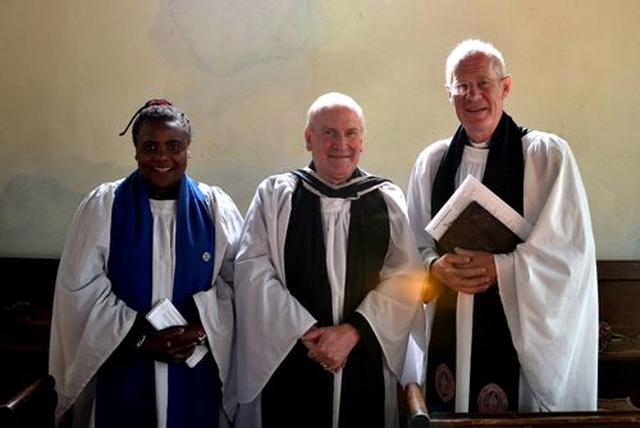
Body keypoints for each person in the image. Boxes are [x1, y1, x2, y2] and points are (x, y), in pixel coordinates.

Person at [406, 39, 599, 413]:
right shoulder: (432, 163)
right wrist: (434, 267)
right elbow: (411, 246)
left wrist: (502, 267)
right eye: (462, 86)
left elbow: (569, 258)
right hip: (450, 331)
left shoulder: (546, 157)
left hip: (515, 339)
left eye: (483, 83)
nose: (473, 95)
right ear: (449, 93)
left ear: (505, 87)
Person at [234, 92, 425, 428]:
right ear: (309, 139)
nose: (341, 143)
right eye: (329, 133)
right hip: (293, 354)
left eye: (351, 133)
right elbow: (253, 268)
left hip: (364, 354)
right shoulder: (276, 195)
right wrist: (306, 331)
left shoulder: (385, 199)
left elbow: (407, 277)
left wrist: (353, 331)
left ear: (362, 141)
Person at [48, 99, 244, 427]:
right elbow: (79, 291)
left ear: (188, 150)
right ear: (136, 151)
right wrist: (140, 339)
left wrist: (199, 330)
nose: (162, 157)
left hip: (194, 367)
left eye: (174, 146)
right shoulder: (104, 207)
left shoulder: (215, 208)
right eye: (150, 146)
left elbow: (238, 283)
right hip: (124, 364)